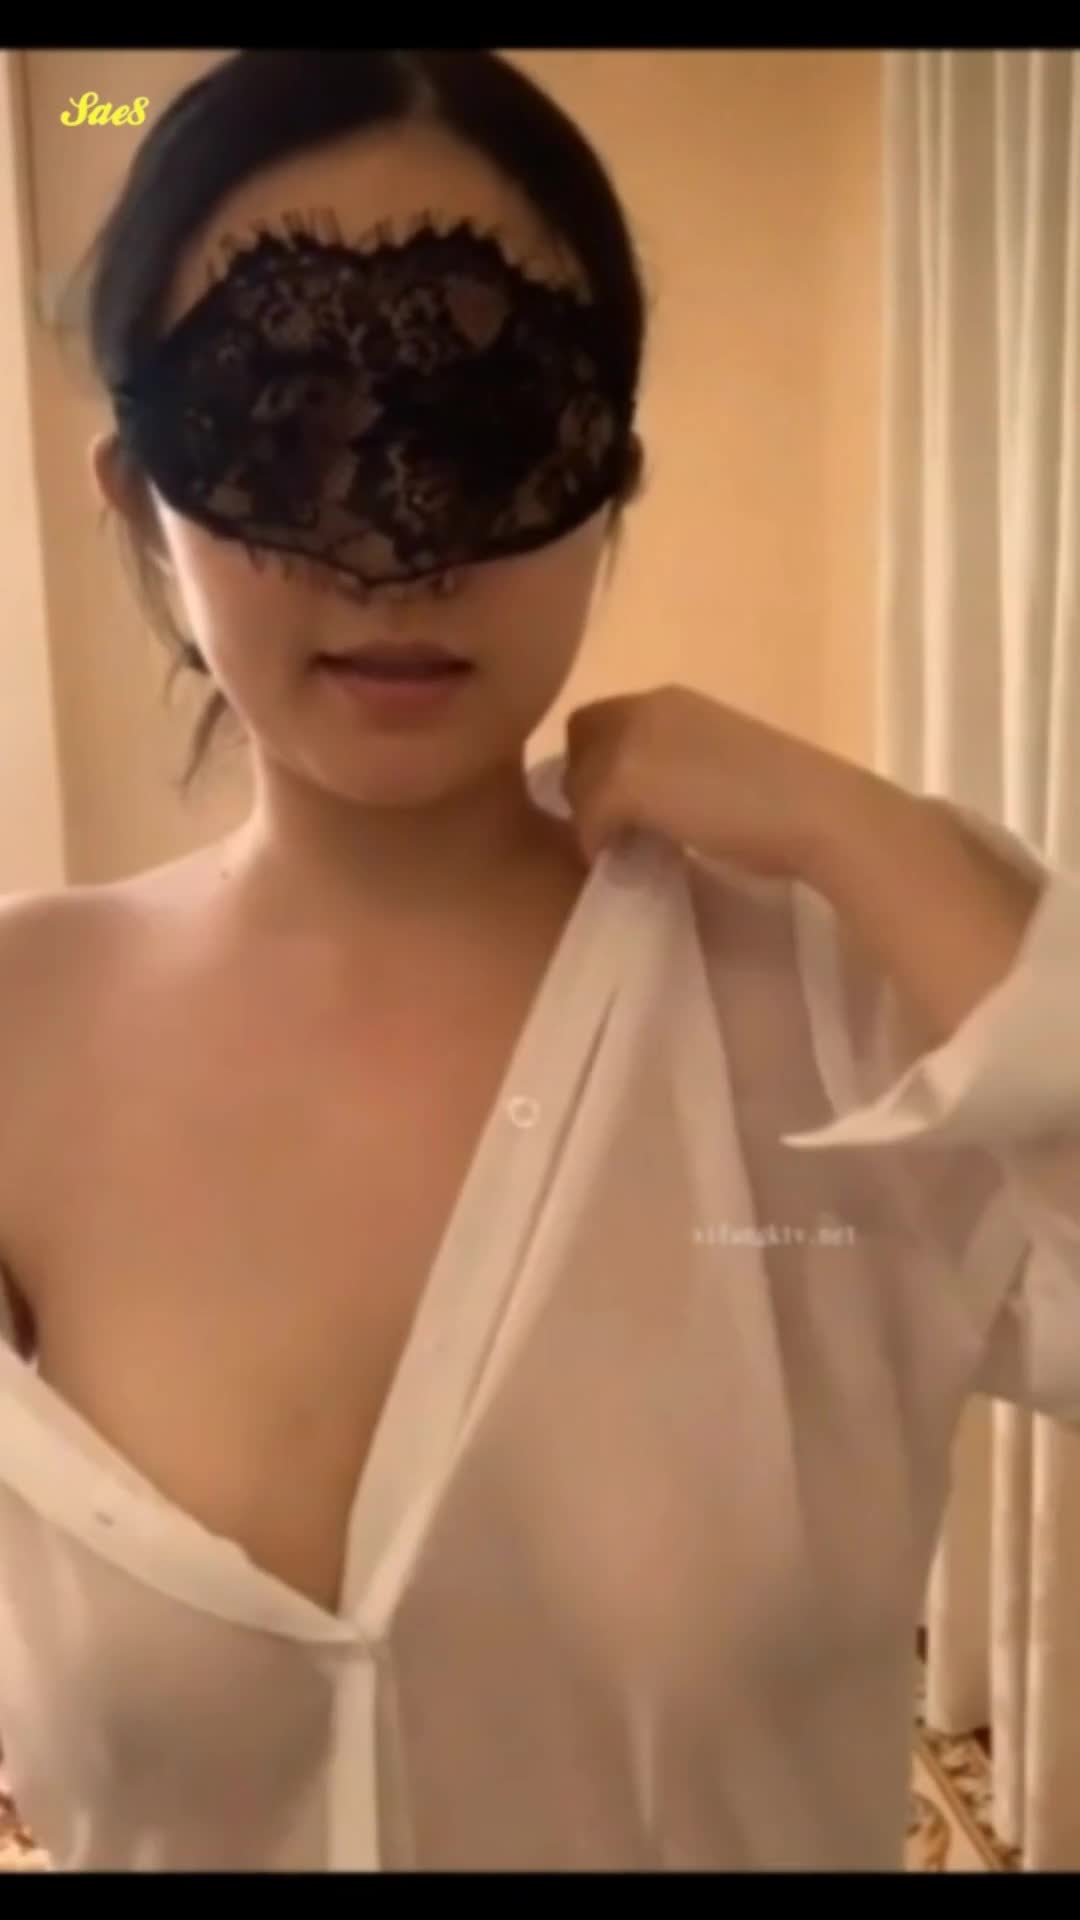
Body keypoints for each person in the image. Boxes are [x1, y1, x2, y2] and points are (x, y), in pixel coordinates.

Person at [0, 49, 1077, 1875]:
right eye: (282, 419)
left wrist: (869, 830)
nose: (394, 550)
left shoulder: (842, 994)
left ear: (607, 471)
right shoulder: (24, 1031)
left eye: (491, 425)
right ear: (136, 495)